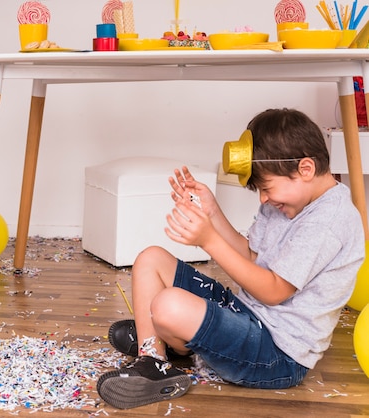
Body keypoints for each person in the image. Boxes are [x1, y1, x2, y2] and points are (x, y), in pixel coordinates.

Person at [96, 108, 365, 409]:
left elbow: (274, 291)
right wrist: (212, 212)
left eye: (267, 188)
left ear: (305, 169)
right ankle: (154, 358)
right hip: (246, 314)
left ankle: (171, 337)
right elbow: (251, 256)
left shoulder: (328, 220)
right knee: (150, 259)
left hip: (277, 354)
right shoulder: (286, 202)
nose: (264, 199)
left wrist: (209, 240)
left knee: (166, 306)